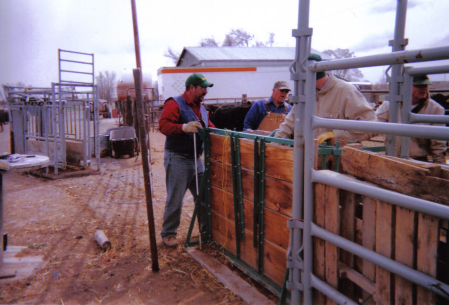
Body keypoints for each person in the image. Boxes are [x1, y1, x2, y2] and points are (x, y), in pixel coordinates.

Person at [158, 73, 215, 247]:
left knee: (204, 196)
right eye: (203, 88)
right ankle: (168, 234)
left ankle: (206, 232)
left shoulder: (202, 109)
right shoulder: (174, 104)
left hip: (195, 159)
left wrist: (219, 131)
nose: (205, 92)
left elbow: (210, 126)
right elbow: (163, 125)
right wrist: (183, 127)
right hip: (177, 158)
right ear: (192, 88)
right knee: (175, 198)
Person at [275, 54, 377, 143]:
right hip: (308, 158)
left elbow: (371, 127)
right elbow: (289, 124)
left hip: (335, 160)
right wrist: (276, 142)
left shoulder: (346, 92)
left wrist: (336, 135)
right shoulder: (306, 94)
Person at [376, 74, 447, 163]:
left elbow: (438, 143)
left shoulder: (435, 109)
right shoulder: (390, 105)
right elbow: (374, 125)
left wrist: (439, 165)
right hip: (392, 158)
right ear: (406, 86)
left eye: (425, 85)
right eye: (419, 85)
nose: (424, 89)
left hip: (418, 161)